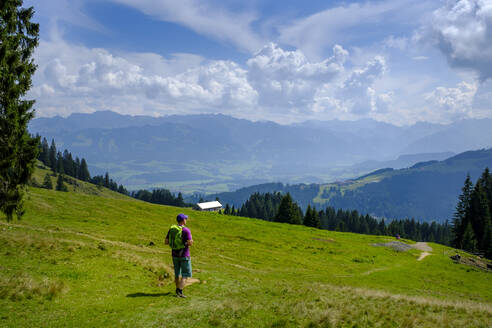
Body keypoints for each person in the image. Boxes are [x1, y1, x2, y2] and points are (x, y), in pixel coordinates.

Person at [165, 213, 193, 298]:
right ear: (183, 220)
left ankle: (177, 289)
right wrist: (190, 242)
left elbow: (166, 242)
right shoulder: (186, 230)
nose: (186, 220)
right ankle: (179, 291)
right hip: (184, 255)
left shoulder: (172, 229)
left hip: (174, 255)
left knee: (177, 273)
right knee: (186, 274)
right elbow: (189, 243)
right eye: (185, 219)